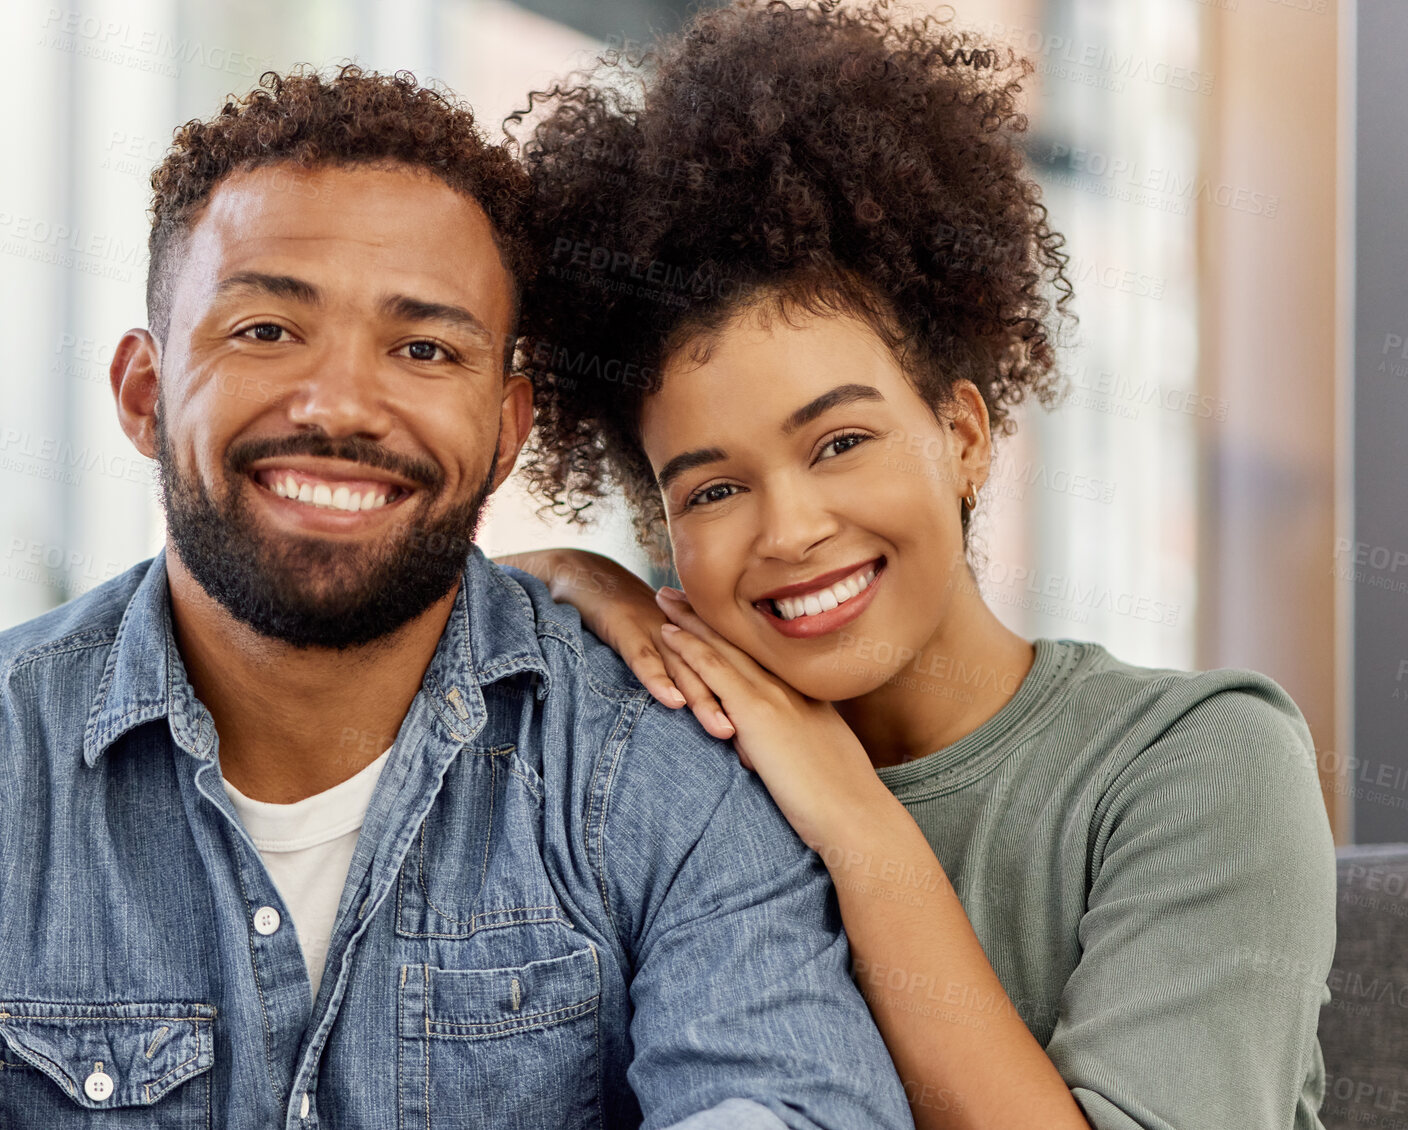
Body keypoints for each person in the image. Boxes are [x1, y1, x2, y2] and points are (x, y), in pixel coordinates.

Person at [0, 66, 914, 1130]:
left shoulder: (664, 782)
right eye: (263, 331)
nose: (339, 404)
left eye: (424, 348)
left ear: (507, 424)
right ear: (144, 391)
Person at [497, 3, 1337, 1128]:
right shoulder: (669, 779)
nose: (788, 528)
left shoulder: (1201, 763)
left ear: (964, 436)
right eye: (710, 488)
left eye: (839, 442)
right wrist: (569, 582)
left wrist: (849, 810)